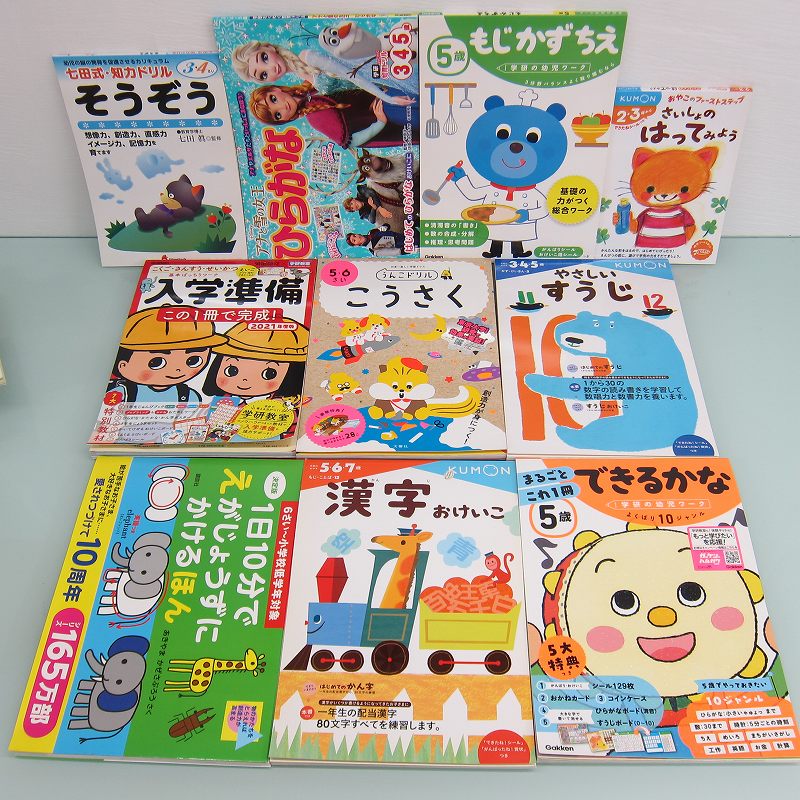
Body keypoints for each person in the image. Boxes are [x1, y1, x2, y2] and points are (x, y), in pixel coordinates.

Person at [231, 38, 416, 106]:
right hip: (380, 83)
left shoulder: (307, 56)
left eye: (264, 58)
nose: (271, 68)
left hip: (380, 71)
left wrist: (388, 99)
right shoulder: (302, 76)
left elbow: (352, 75)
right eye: (263, 75)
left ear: (269, 47)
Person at [106, 307, 226, 403]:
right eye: (156, 362)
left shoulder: (188, 396)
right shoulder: (123, 393)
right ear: (123, 365)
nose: (178, 369)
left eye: (193, 360)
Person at [250, 82, 416, 149]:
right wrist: (379, 123)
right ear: (284, 120)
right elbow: (350, 141)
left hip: (387, 89)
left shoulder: (311, 86)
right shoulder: (315, 117)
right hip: (389, 111)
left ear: (275, 89)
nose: (282, 107)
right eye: (278, 115)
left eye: (273, 99)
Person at [202, 320, 309, 403]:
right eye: (231, 370)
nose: (245, 380)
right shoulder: (223, 400)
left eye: (269, 374)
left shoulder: (286, 402)